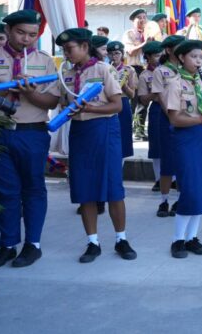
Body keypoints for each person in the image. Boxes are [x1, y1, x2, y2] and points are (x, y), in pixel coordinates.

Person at [55, 27, 137, 263]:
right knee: (84, 187)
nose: (66, 54)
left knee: (113, 187)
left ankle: (121, 239)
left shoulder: (103, 69)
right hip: (80, 133)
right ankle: (93, 242)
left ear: (84, 47)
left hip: (104, 130)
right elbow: (63, 103)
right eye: (63, 50)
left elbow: (117, 105)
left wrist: (90, 108)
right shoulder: (67, 73)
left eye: (69, 49)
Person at [0, 10, 60, 268]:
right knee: (5, 190)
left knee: (33, 188)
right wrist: (5, 87)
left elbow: (52, 101)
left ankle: (33, 245)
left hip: (32, 132)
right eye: (21, 32)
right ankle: (8, 245)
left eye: (32, 34)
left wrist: (31, 93)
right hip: (0, 132)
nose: (26, 39)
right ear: (8, 31)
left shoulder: (44, 61)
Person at [163, 40, 202, 258]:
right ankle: (177, 239)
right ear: (181, 58)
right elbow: (174, 118)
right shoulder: (175, 84)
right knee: (190, 188)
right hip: (185, 138)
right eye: (194, 57)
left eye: (200, 57)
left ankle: (192, 237)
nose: (198, 61)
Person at [151, 35, 185, 218]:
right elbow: (160, 96)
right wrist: (172, 115)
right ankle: (164, 201)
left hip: (186, 119)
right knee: (167, 162)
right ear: (169, 50)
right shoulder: (161, 71)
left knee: (182, 161)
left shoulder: (187, 69)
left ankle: (181, 199)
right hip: (167, 119)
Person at [137, 41, 164, 191]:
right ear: (148, 57)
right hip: (157, 109)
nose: (159, 58)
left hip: (172, 107)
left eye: (161, 55)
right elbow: (143, 99)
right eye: (156, 56)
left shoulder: (169, 70)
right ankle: (159, 178)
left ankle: (174, 178)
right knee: (157, 146)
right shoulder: (145, 75)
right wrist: (154, 93)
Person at [106, 41, 137, 160]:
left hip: (123, 102)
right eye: (111, 54)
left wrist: (124, 86)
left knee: (124, 135)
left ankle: (120, 165)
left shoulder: (129, 70)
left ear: (122, 54)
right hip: (108, 103)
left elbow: (132, 95)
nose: (114, 56)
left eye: (117, 53)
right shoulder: (105, 69)